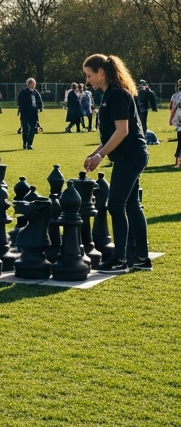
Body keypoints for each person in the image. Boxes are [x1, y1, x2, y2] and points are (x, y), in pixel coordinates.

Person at [83, 54, 151, 272]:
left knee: (115, 205)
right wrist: (96, 152)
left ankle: (120, 259)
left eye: (89, 75)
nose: (87, 81)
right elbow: (112, 134)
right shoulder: (109, 95)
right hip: (129, 155)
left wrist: (100, 155)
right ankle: (141, 258)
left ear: (101, 72)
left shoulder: (117, 95)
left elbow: (123, 131)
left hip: (130, 156)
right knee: (131, 205)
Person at [17, 78, 42, 150]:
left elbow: (39, 100)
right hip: (25, 113)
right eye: (30, 84)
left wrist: (40, 107)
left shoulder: (35, 92)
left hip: (33, 114)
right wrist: (22, 108)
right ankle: (25, 143)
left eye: (33, 84)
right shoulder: (23, 92)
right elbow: (19, 101)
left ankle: (30, 144)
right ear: (27, 85)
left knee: (33, 129)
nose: (32, 86)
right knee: (26, 129)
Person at [170, 79, 181, 168]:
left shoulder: (175, 96)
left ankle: (177, 162)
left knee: (180, 142)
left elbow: (171, 107)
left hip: (178, 121)